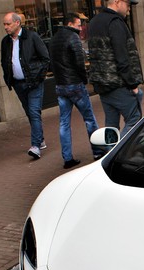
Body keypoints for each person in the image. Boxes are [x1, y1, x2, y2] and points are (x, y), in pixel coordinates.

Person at [49, 13, 100, 168]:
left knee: (64, 123)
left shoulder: (54, 39)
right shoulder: (73, 38)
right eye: (78, 25)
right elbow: (79, 62)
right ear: (70, 24)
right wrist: (85, 80)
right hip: (74, 84)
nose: (80, 28)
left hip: (61, 85)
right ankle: (98, 151)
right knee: (89, 119)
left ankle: (67, 158)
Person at [87, 0, 144, 136]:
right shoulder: (115, 22)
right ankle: (118, 152)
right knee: (135, 119)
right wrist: (133, 84)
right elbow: (122, 57)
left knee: (111, 125)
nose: (129, 9)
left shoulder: (94, 22)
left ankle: (109, 153)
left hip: (102, 84)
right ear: (117, 2)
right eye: (128, 5)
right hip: (117, 83)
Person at [1, 12, 50, 160]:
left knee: (34, 112)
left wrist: (38, 77)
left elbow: (45, 58)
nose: (5, 27)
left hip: (34, 83)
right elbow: (4, 61)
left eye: (8, 24)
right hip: (18, 84)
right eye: (4, 24)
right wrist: (8, 77)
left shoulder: (32, 37)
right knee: (29, 112)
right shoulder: (5, 42)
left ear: (17, 23)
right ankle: (40, 139)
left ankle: (35, 146)